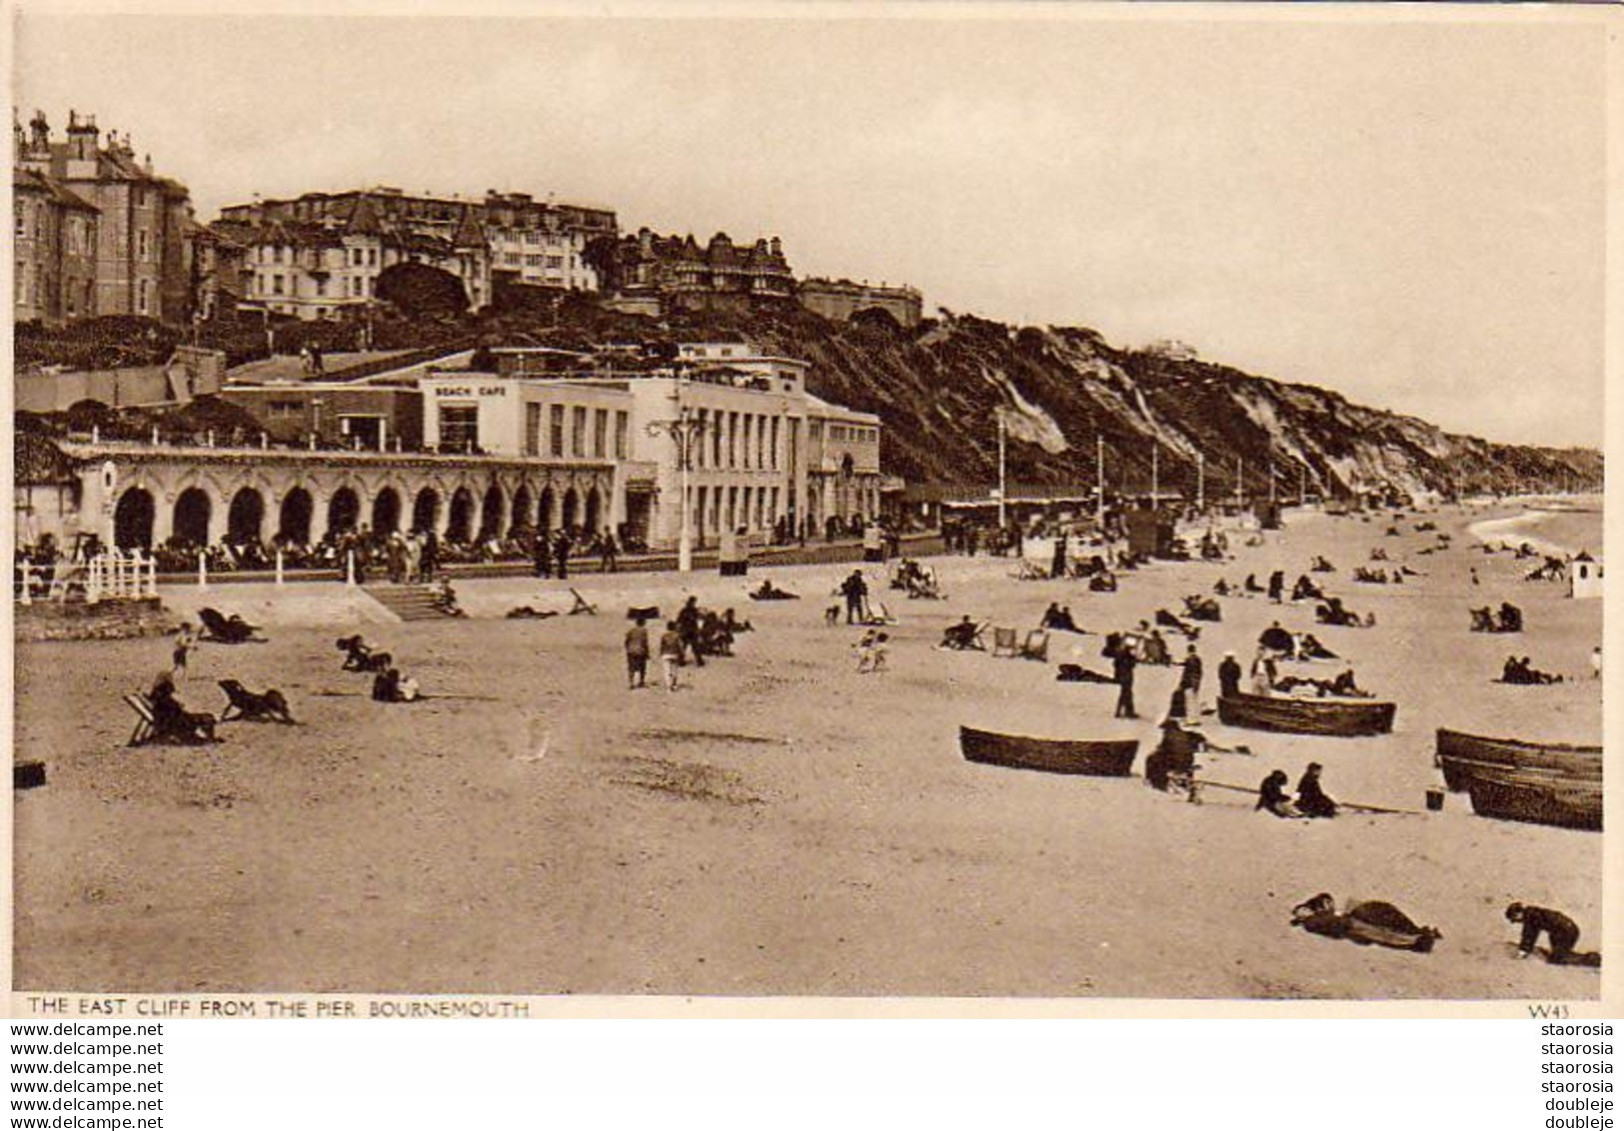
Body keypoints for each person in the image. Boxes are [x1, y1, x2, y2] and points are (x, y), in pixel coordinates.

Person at [1505, 903, 1601, 967]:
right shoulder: (1532, 913)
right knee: (1556, 955)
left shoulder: (1530, 916)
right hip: (1562, 931)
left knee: (1557, 960)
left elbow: (1529, 936)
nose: (1517, 922)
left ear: (1518, 914)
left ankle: (1592, 959)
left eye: (1515, 919)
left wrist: (1522, 952)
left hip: (1566, 932)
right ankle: (1562, 954)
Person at [676, 596, 705, 667]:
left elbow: (678, 621)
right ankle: (699, 661)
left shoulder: (684, 610)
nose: (694, 603)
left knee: (685, 646)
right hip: (690, 631)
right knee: (694, 646)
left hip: (687, 631)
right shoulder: (692, 610)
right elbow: (699, 617)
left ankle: (681, 661)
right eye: (694, 602)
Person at [624, 616, 650, 690]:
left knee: (631, 667)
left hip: (631, 650)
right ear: (643, 623)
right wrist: (647, 653)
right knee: (642, 667)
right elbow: (645, 642)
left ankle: (631, 682)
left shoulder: (631, 630)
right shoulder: (644, 631)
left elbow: (626, 641)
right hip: (641, 650)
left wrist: (628, 649)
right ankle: (641, 681)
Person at [1112, 645, 1138, 720]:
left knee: (1126, 693)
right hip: (1126, 677)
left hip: (1123, 676)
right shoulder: (1126, 657)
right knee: (1126, 694)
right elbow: (1131, 665)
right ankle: (1124, 711)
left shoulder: (1121, 656)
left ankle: (1125, 711)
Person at [659, 620, 684, 691]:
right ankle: (674, 684)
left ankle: (669, 686)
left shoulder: (664, 635)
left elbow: (662, 645)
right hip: (675, 654)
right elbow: (680, 645)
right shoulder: (677, 635)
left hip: (666, 654)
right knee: (674, 670)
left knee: (667, 670)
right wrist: (682, 653)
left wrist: (661, 653)